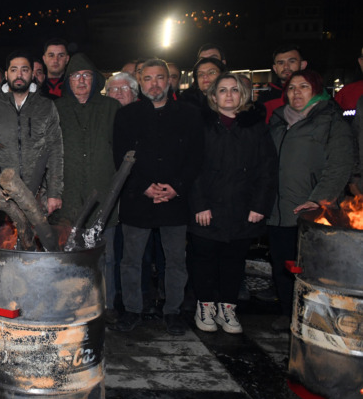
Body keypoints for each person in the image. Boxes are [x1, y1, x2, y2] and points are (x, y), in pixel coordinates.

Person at [112, 58, 203, 336]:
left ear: (170, 80)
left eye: (160, 77)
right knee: (131, 260)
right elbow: (120, 156)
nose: (154, 84)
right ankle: (132, 309)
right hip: (138, 198)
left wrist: (176, 187)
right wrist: (143, 187)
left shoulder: (189, 114)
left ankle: (173, 311)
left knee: (175, 260)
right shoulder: (126, 116)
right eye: (148, 78)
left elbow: (196, 157)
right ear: (140, 82)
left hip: (175, 200)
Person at [189, 74, 277, 334]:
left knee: (234, 261)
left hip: (242, 208)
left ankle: (228, 308)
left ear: (243, 95)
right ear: (213, 97)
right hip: (207, 208)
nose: (229, 95)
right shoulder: (201, 126)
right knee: (204, 260)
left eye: (235, 90)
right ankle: (205, 306)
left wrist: (259, 206)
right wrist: (199, 204)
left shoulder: (256, 127)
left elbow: (267, 170)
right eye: (223, 90)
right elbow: (191, 168)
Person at [267, 70, 353, 331]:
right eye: (292, 87)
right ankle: (287, 313)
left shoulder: (331, 120)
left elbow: (340, 165)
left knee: (311, 268)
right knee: (282, 264)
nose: (297, 92)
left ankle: (314, 319)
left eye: (304, 86)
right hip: (277, 209)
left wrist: (319, 200)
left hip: (311, 211)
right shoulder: (278, 120)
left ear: (316, 90)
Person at [53, 54, 121, 317]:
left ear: (95, 80)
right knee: (70, 256)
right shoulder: (57, 109)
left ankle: (106, 305)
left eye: (86, 76)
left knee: (105, 256)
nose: (81, 81)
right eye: (75, 76)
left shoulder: (111, 108)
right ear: (68, 81)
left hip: (103, 196)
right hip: (68, 198)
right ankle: (72, 307)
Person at [0, 49, 64, 215]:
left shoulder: (46, 106)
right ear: (6, 74)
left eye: (24, 70)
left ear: (32, 74)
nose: (19, 75)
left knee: (38, 233)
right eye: (14, 70)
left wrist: (54, 193)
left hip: (38, 195)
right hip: (2, 197)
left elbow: (55, 151)